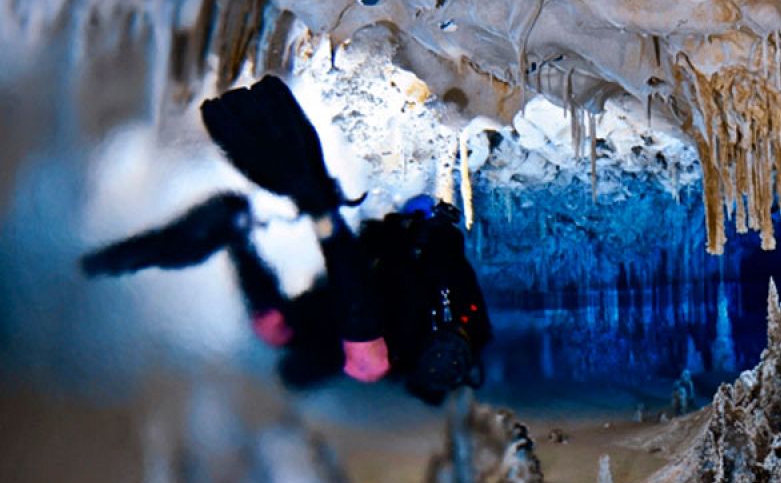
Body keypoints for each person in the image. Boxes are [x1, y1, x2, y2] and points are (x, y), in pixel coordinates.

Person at [81, 75, 492, 405]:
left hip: (344, 314)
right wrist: (428, 225)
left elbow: (364, 281)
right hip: (356, 302)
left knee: (288, 332)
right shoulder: (455, 300)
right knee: (352, 351)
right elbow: (420, 251)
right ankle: (305, 216)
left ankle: (239, 235)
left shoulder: (407, 345)